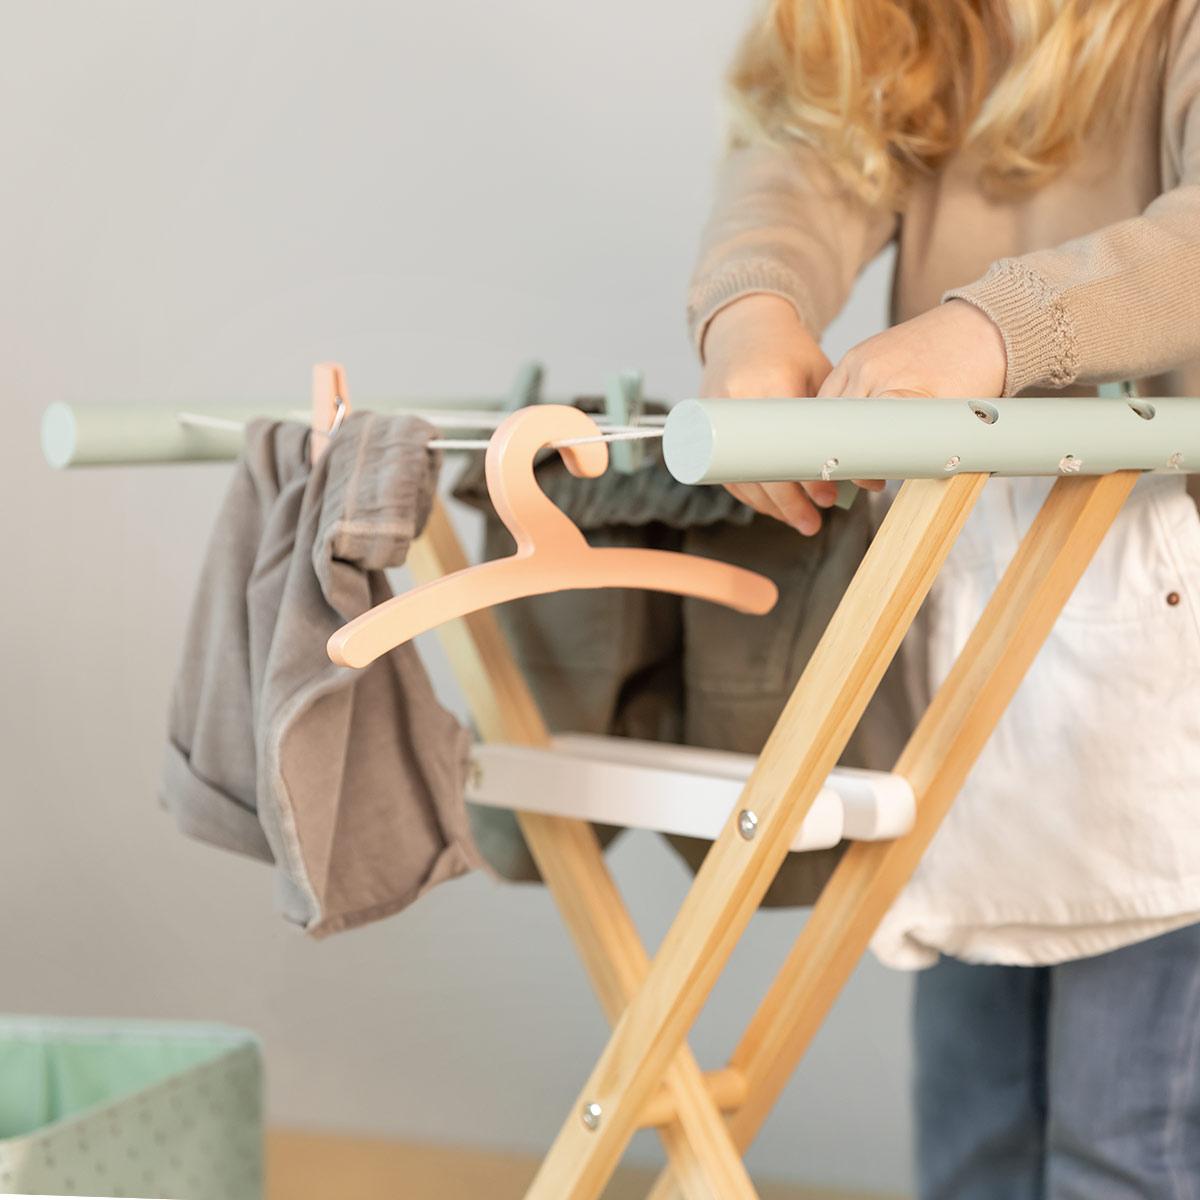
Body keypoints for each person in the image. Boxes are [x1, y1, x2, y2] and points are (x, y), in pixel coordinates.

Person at [688, 1, 1200, 1195]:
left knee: (1128, 1130)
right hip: (964, 612)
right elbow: (799, 163)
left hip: (1163, 640)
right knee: (971, 1121)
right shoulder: (913, 20)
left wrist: (993, 330)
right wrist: (753, 313)